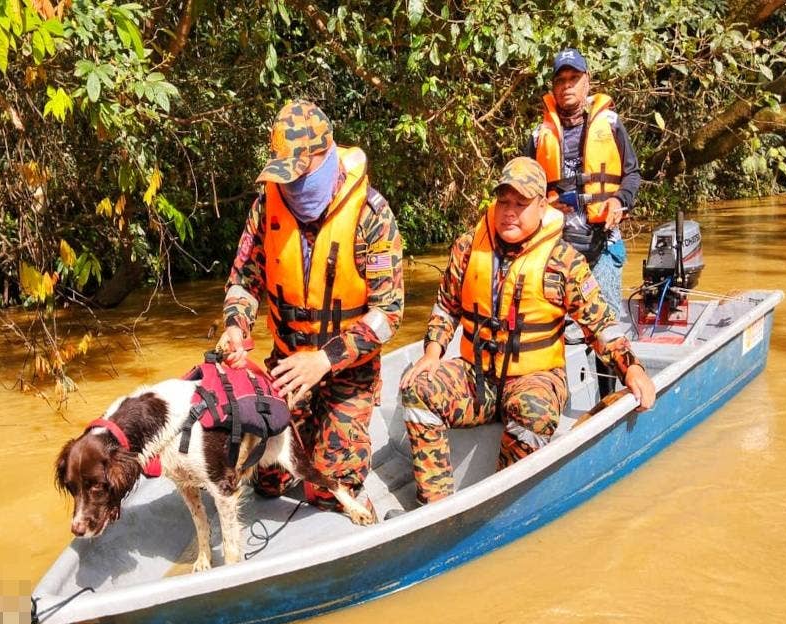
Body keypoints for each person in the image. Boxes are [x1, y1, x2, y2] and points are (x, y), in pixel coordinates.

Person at [399, 157, 654, 506]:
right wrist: (432, 353)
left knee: (534, 410)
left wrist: (632, 367)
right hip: (478, 375)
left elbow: (600, 325)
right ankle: (435, 507)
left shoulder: (563, 261)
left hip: (536, 375)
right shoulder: (468, 246)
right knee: (418, 389)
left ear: (542, 205)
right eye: (503, 202)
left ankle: (504, 502)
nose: (509, 212)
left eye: (521, 204)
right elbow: (446, 306)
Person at [217, 100, 404, 513]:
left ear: (326, 154)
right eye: (285, 176)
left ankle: (352, 491)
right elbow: (243, 281)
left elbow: (388, 315)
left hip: (347, 372)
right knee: (264, 476)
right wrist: (236, 326)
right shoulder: (267, 208)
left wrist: (325, 358)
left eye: (300, 174)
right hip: (286, 365)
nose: (292, 187)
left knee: (327, 486)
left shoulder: (372, 216)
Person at [525, 47, 642, 395]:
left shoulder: (612, 125)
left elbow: (632, 175)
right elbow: (524, 191)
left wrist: (620, 202)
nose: (567, 87)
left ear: (587, 82)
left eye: (574, 79)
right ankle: (552, 394)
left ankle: (611, 397)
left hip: (601, 241)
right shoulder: (537, 137)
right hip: (556, 246)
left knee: (604, 321)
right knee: (549, 322)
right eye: (560, 80)